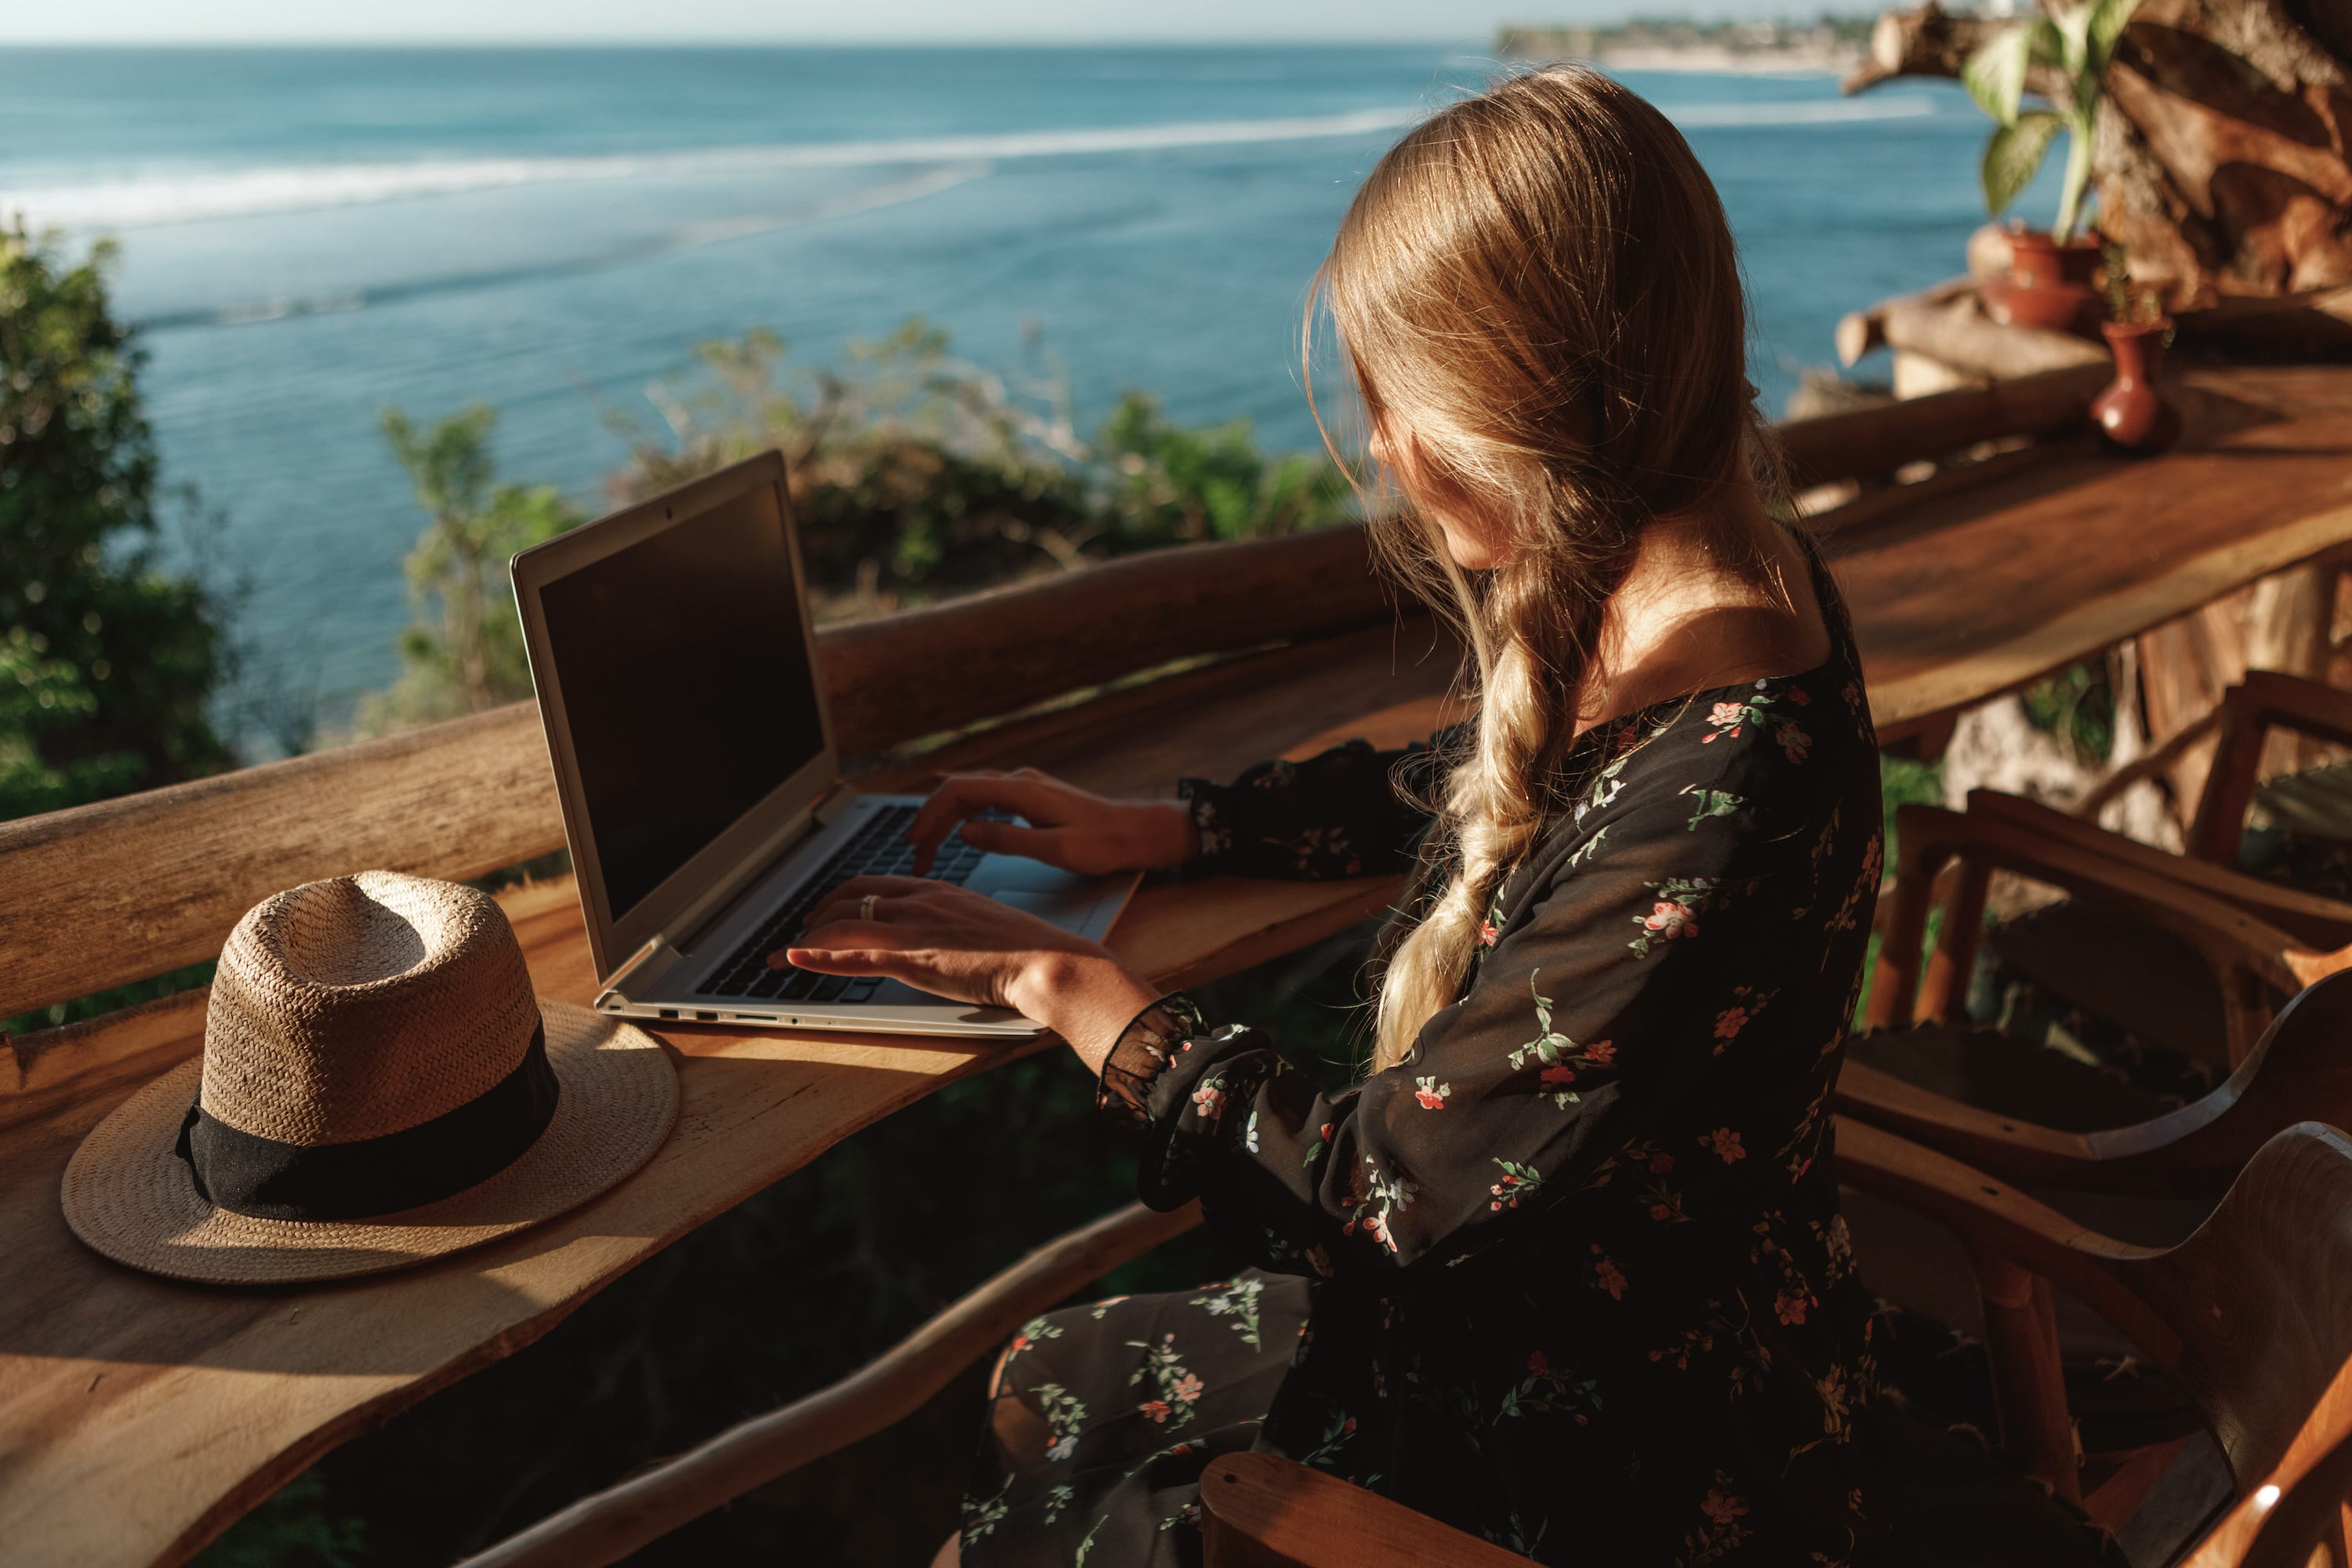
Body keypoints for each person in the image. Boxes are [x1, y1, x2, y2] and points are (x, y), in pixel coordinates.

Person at [782, 67, 2122, 1568]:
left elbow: (1375, 1204)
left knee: (1084, 1451)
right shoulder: (1730, 582)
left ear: (1508, 421)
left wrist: (1068, 986)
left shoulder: (1726, 785)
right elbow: (1541, 790)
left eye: (1388, 406)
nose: (1381, 453)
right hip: (1652, 1300)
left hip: (1622, 1434)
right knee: (1058, 1374)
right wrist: (1179, 829)